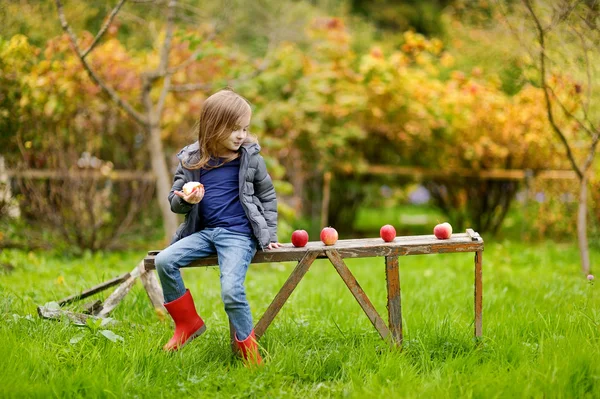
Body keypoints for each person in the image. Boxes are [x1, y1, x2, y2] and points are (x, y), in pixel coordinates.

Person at [154, 89, 281, 365]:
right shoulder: (191, 160)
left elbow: (267, 195)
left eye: (244, 128)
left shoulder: (250, 159)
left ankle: (250, 352)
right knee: (164, 261)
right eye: (234, 128)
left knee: (231, 291)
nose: (240, 135)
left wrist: (269, 234)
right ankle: (187, 324)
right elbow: (175, 200)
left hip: (238, 235)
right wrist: (186, 199)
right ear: (213, 127)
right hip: (204, 233)